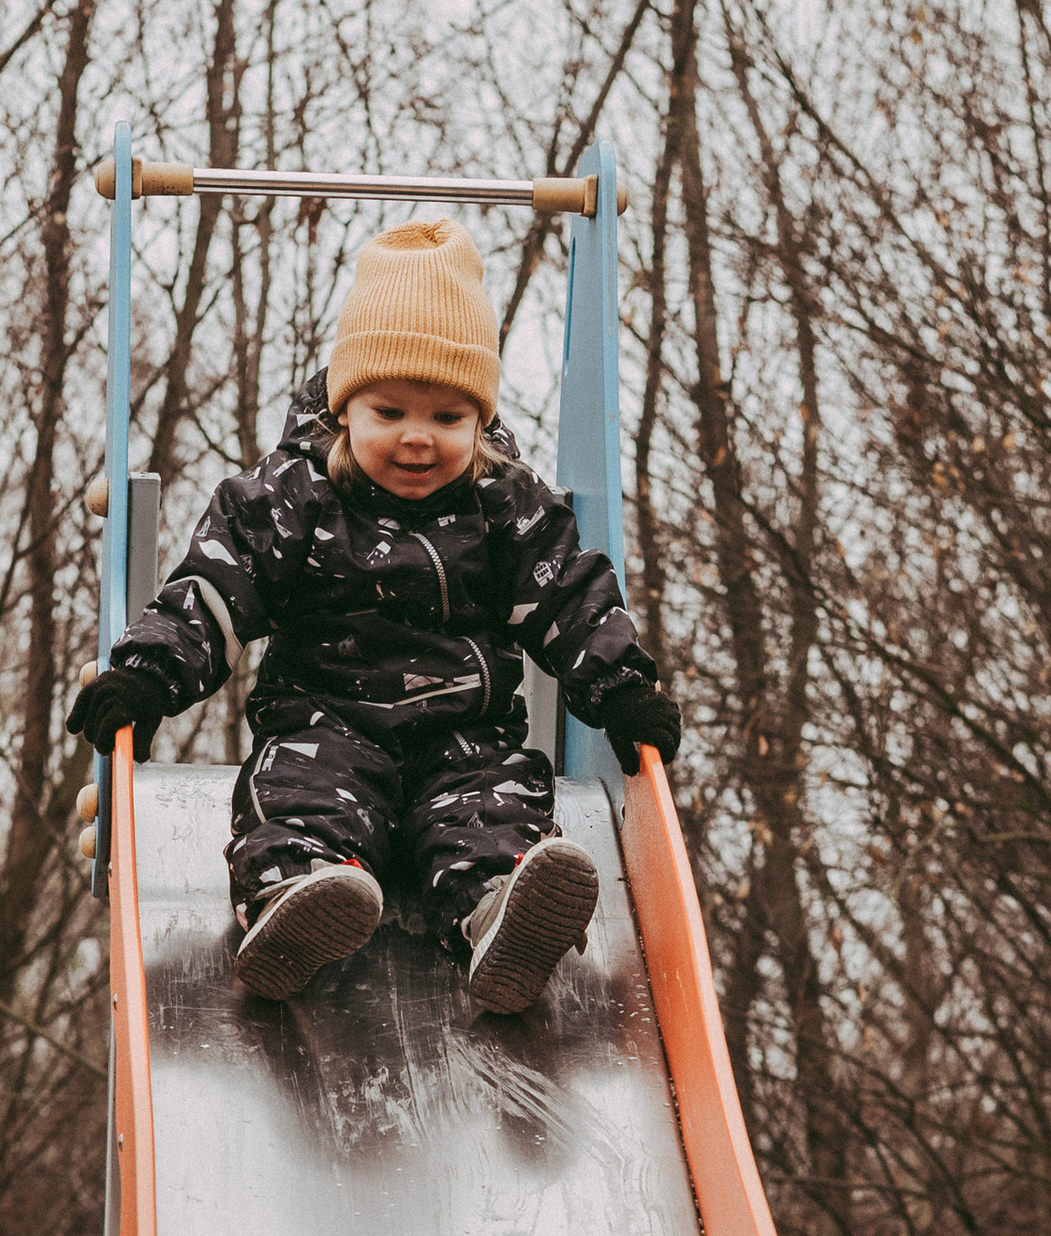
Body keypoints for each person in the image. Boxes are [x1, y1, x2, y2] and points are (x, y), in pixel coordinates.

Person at [66, 218, 682, 1010]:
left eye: (448, 418)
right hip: (325, 726)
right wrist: (148, 676)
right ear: (344, 406)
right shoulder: (293, 496)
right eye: (389, 412)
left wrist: (623, 689)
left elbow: (569, 594)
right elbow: (213, 590)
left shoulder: (505, 506)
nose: (417, 439)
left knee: (497, 810)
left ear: (480, 421)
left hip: (466, 740)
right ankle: (298, 897)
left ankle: (499, 916)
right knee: (298, 799)